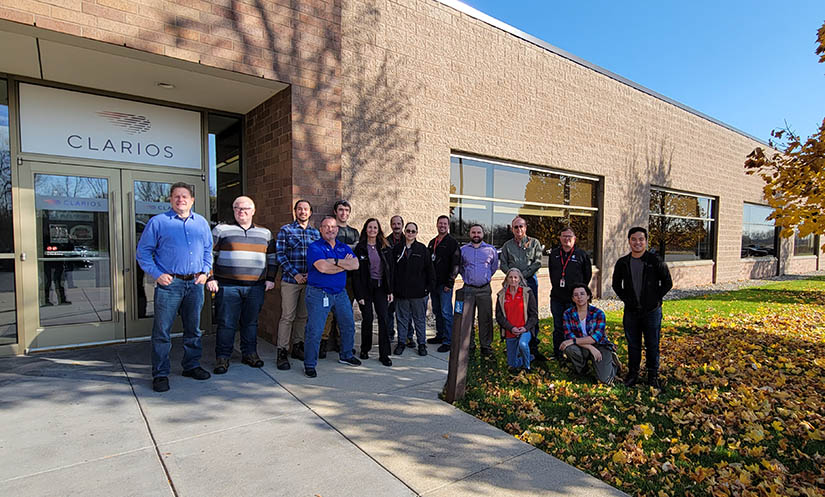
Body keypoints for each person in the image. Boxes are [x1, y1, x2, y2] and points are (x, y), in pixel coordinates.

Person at [136, 182, 212, 393]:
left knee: (193, 329)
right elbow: (143, 252)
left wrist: (206, 272)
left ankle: (191, 365)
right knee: (162, 331)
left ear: (192, 200)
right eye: (176, 196)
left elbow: (208, 250)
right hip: (170, 285)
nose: (181, 200)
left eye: (185, 196)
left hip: (195, 283)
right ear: (170, 199)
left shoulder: (201, 223)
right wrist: (158, 275)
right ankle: (160, 374)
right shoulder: (158, 222)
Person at [207, 196, 277, 374]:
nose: (242, 211)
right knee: (226, 323)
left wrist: (270, 278)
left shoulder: (265, 233)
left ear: (253, 211)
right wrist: (210, 278)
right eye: (237, 208)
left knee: (251, 323)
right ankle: (222, 357)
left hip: (256, 287)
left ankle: (250, 354)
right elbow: (208, 256)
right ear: (233, 210)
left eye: (246, 208)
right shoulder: (221, 230)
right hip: (227, 286)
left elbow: (272, 258)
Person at [611, 226, 672, 389]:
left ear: (645, 241)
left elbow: (667, 283)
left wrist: (654, 299)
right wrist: (627, 299)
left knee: (652, 344)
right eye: (634, 239)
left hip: (652, 311)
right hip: (631, 312)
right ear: (629, 241)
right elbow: (616, 285)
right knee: (633, 344)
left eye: (641, 239)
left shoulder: (655, 261)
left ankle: (653, 376)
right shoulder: (622, 262)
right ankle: (633, 374)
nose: (637, 242)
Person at [303, 216, 361, 377]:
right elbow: (322, 268)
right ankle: (309, 364)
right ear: (320, 229)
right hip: (319, 293)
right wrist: (343, 265)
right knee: (315, 330)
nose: (330, 229)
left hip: (340, 293)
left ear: (337, 229)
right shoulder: (315, 247)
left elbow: (355, 265)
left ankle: (346, 355)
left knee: (348, 324)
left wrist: (334, 261)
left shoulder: (343, 247)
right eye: (326, 226)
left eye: (333, 227)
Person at [275, 199, 320, 370]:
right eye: (299, 209)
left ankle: (297, 346)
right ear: (295, 211)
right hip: (290, 281)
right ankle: (282, 351)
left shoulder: (315, 234)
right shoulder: (286, 230)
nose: (302, 212)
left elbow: (319, 257)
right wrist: (295, 274)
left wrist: (309, 274)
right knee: (287, 317)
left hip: (309, 281)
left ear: (310, 212)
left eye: (306, 209)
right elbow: (280, 255)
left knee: (303, 317)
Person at [499, 216, 544, 360]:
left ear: (526, 227)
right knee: (513, 312)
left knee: (531, 312)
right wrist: (513, 277)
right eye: (516, 227)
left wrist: (522, 276)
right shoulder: (507, 246)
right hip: (512, 283)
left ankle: (532, 346)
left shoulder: (534, 243)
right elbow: (503, 264)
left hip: (530, 282)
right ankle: (513, 342)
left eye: (521, 226)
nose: (519, 229)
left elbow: (537, 263)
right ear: (512, 229)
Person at [560, 283, 621, 385]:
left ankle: (613, 363)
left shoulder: (598, 313)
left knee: (605, 380)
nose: (579, 297)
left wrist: (574, 341)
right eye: (576, 295)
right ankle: (583, 369)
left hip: (600, 345)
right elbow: (569, 335)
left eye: (582, 294)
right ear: (572, 298)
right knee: (569, 348)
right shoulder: (568, 314)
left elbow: (596, 337)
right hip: (581, 346)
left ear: (588, 296)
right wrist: (590, 347)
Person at [353, 218, 394, 366]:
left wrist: (390, 291)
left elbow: (390, 271)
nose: (372, 230)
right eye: (370, 227)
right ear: (365, 229)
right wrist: (359, 295)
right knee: (368, 318)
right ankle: (365, 349)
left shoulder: (384, 247)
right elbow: (356, 274)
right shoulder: (360, 248)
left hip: (381, 288)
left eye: (375, 228)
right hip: (366, 289)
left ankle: (384, 354)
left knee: (383, 318)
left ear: (378, 230)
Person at [321, 200, 360, 356]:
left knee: (345, 312)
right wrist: (345, 259)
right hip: (330, 277)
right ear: (335, 212)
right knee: (328, 312)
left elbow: (354, 257)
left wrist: (340, 259)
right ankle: (322, 344)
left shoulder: (354, 232)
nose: (344, 213)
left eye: (346, 210)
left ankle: (341, 342)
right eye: (341, 210)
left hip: (349, 279)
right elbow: (329, 255)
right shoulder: (330, 230)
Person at [548, 226, 592, 360]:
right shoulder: (554, 254)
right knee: (558, 326)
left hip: (574, 299)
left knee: (575, 327)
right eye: (564, 236)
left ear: (574, 239)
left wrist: (579, 294)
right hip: (557, 297)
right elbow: (551, 273)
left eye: (569, 236)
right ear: (560, 238)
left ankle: (576, 355)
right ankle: (558, 353)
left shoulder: (582, 255)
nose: (567, 239)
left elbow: (587, 276)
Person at [392, 222, 435, 356]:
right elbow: (392, 270)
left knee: (419, 320)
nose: (410, 233)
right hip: (402, 293)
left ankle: (422, 344)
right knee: (402, 319)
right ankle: (401, 342)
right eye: (408, 231)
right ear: (404, 232)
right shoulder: (397, 249)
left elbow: (430, 271)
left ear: (416, 233)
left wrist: (427, 289)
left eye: (413, 231)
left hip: (419, 293)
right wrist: (394, 289)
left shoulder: (422, 250)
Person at [458, 224, 499, 356]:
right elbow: (460, 267)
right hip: (468, 289)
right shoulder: (463, 250)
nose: (476, 235)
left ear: (483, 233)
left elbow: (493, 268)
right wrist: (468, 278)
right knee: (467, 318)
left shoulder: (490, 250)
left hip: (484, 290)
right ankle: (469, 345)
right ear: (470, 234)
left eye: (479, 232)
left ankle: (485, 345)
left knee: (485, 318)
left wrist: (483, 278)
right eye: (473, 232)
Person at [426, 215, 460, 353]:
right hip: (434, 284)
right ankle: (440, 335)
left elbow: (456, 264)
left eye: (445, 224)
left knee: (446, 312)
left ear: (448, 226)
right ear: (436, 225)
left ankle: (448, 341)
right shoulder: (432, 242)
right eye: (440, 223)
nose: (442, 226)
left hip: (445, 285)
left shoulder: (452, 243)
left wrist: (450, 282)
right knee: (437, 311)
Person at [495, 268, 538, 373]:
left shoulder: (527, 292)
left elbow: (534, 315)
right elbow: (499, 316)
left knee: (523, 344)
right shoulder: (501, 295)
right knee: (512, 364)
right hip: (510, 331)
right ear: (506, 279)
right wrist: (511, 328)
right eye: (510, 277)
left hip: (524, 329)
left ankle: (527, 367)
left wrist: (525, 328)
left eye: (515, 277)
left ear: (520, 279)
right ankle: (529, 357)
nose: (513, 280)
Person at [385, 214, 406, 344]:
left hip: (404, 282)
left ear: (402, 225)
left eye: (398, 224)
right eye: (394, 224)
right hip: (390, 282)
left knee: (405, 312)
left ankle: (407, 336)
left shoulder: (408, 239)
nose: (396, 226)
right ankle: (389, 334)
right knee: (389, 311)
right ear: (391, 225)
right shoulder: (386, 241)